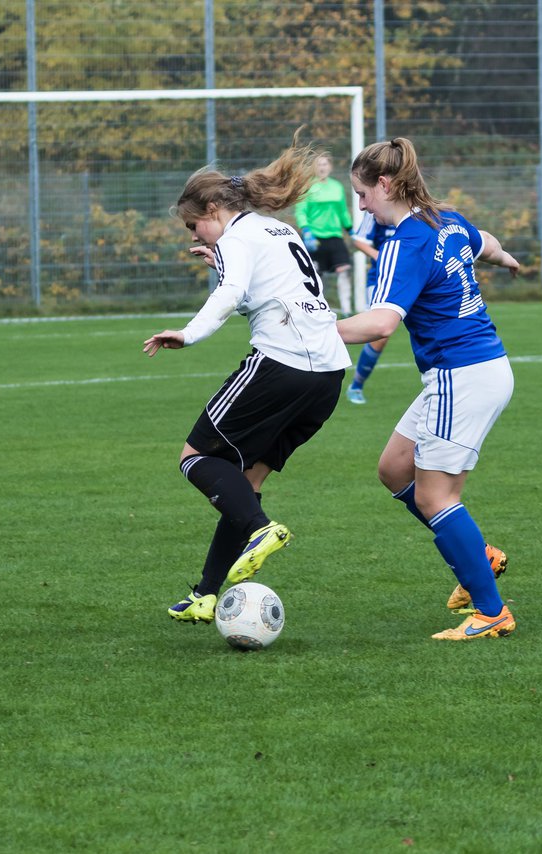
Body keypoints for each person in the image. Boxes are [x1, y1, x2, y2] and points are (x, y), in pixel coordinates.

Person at [144, 137, 352, 624]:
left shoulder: (236, 237)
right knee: (246, 479)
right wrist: (223, 266)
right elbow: (267, 291)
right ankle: (206, 594)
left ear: (214, 208)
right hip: (326, 377)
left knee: (194, 458)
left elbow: (234, 291)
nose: (201, 235)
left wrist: (189, 333)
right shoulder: (279, 231)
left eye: (197, 226)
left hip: (281, 364)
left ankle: (260, 529)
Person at [336, 137, 519, 640]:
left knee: (437, 498)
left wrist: (310, 330)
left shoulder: (405, 241)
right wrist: (507, 260)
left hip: (462, 376)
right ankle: (478, 556)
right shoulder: (447, 219)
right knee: (394, 469)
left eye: (362, 193)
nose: (362, 204)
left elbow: (380, 325)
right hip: (472, 371)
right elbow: (486, 241)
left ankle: (491, 612)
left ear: (385, 184)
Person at [346, 210, 396, 404]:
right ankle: (356, 386)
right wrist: (381, 255)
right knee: (380, 335)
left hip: (412, 278)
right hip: (381, 279)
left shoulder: (418, 210)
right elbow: (359, 240)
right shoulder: (378, 208)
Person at [295, 154, 354, 317]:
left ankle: (347, 309)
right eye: (319, 165)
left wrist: (351, 230)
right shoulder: (307, 186)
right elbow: (301, 211)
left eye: (325, 164)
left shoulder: (337, 187)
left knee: (344, 271)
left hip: (335, 236)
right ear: (314, 168)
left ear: (330, 167)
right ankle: (317, 308)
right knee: (315, 275)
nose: (322, 168)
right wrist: (306, 231)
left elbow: (342, 211)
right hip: (315, 238)